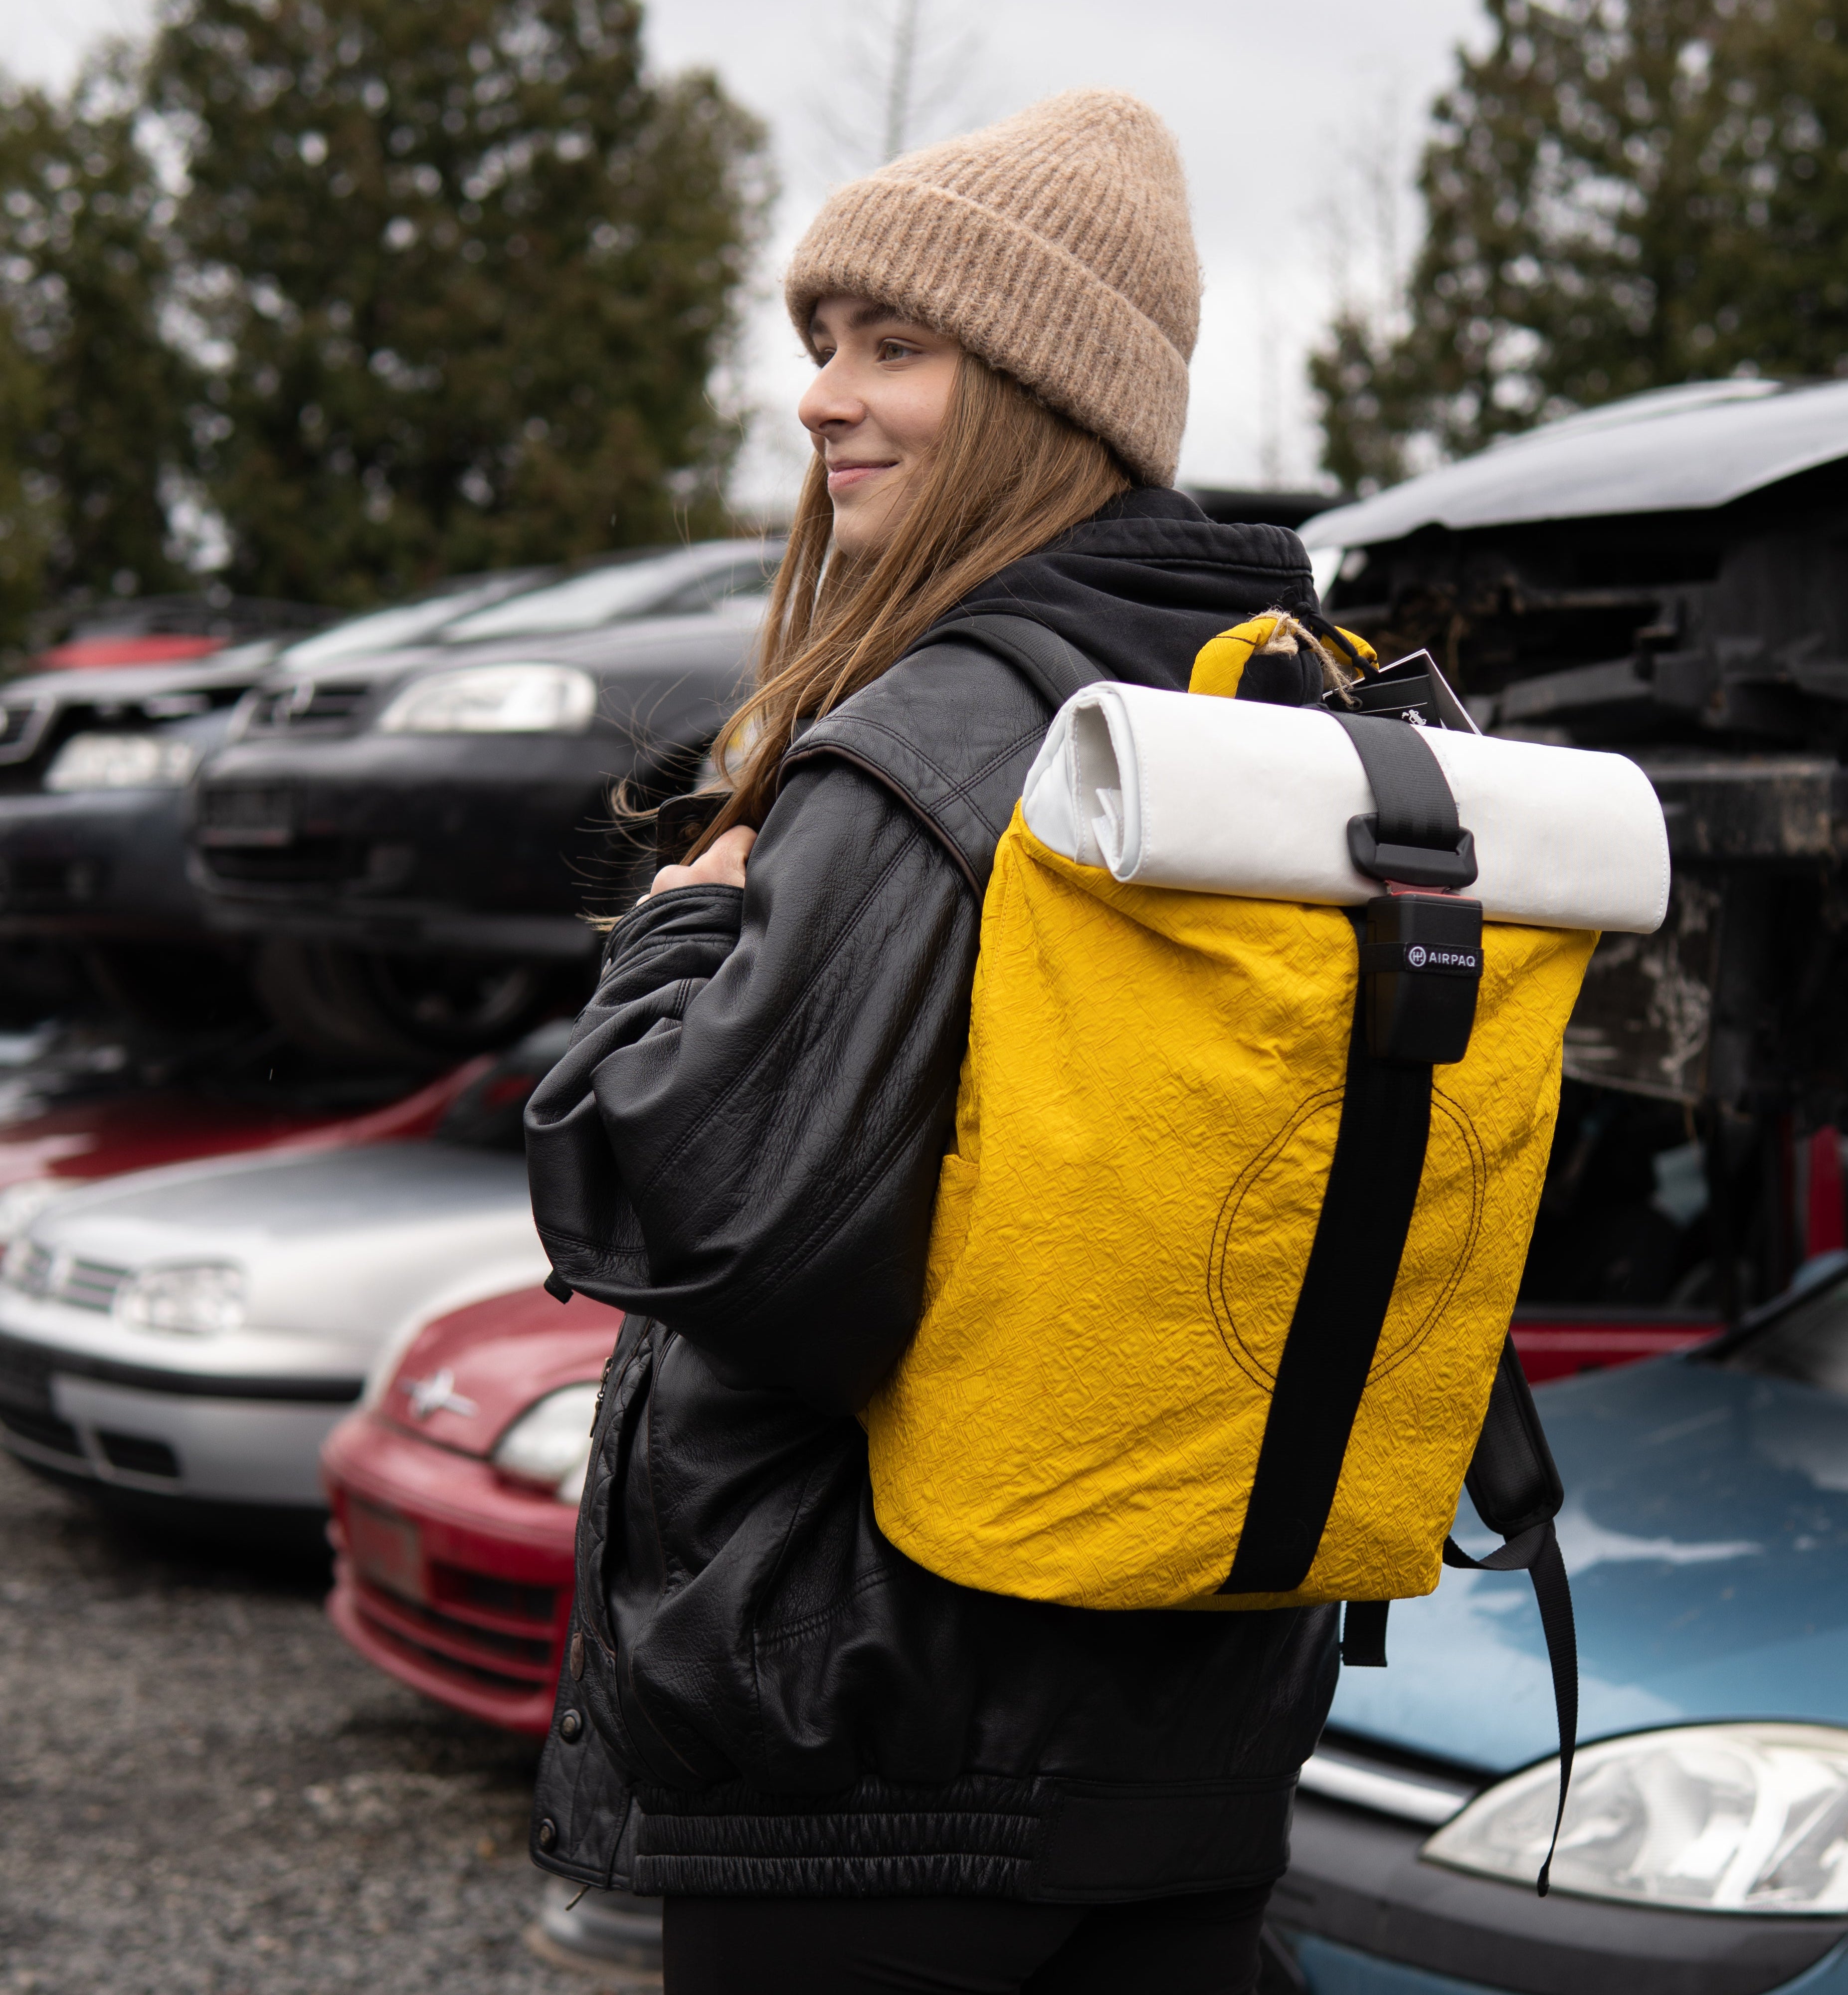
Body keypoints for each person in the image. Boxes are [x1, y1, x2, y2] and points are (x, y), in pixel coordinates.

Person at [525, 89, 1344, 1995]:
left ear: (1049, 397)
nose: (823, 398)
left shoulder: (951, 726)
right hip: (1191, 1708)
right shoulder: (1261, 703)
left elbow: (726, 1233)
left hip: (880, 1749)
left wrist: (677, 939)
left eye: (896, 347)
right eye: (824, 342)